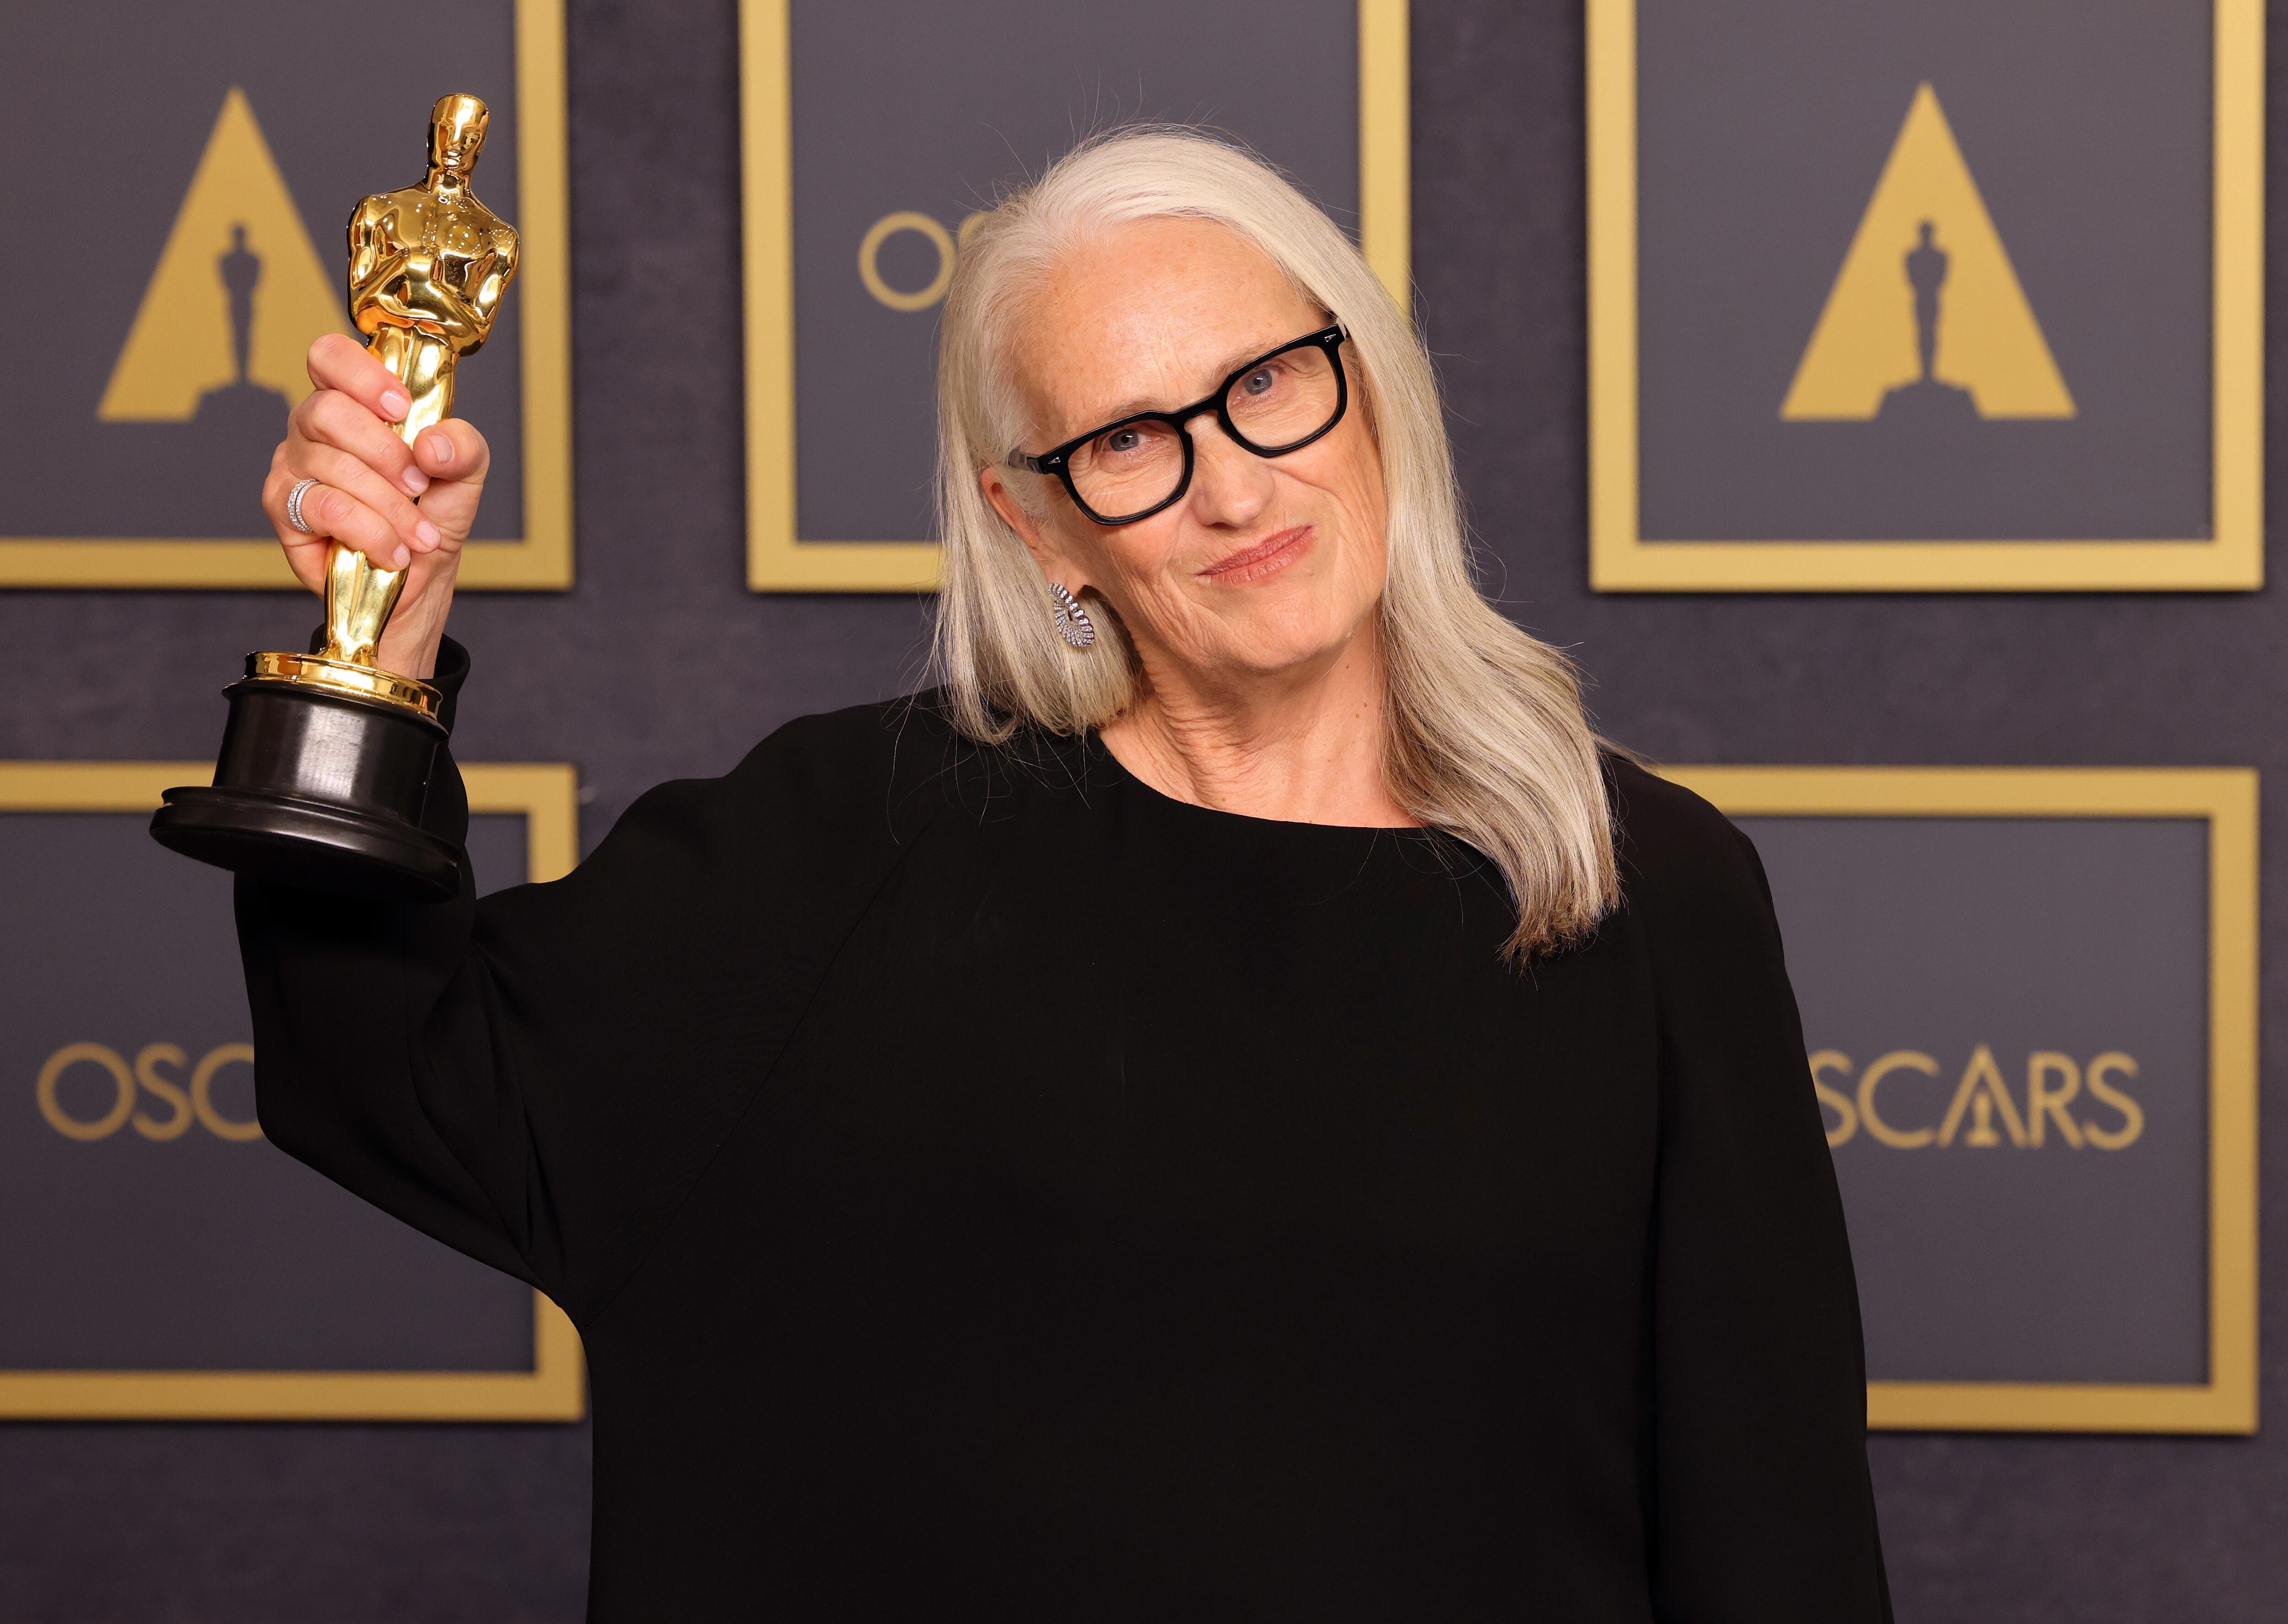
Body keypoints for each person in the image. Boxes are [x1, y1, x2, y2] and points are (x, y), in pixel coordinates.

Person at [247, 129, 1891, 1619]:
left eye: (1269, 384)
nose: (1236, 486)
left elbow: (1778, 1545)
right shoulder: (847, 841)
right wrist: (368, 669)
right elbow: (394, 1073)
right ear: (1036, 524)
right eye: (1127, 441)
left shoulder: (1645, 893)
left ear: (1373, 385)